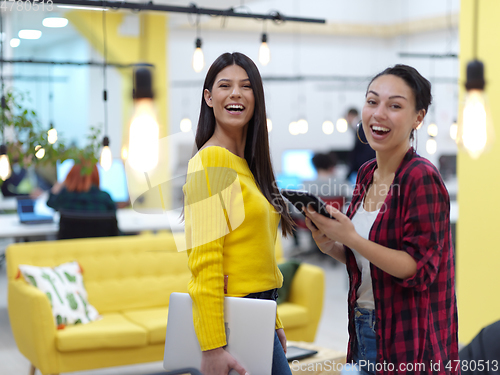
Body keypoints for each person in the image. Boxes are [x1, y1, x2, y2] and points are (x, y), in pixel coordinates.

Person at [304, 65, 459, 374]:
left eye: (395, 105)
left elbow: (418, 269)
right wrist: (332, 244)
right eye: (372, 101)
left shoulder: (421, 177)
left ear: (418, 117)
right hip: (363, 325)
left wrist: (350, 238)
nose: (379, 113)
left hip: (408, 336)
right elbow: (366, 259)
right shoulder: (366, 174)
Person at [183, 52, 295, 375]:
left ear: (256, 99)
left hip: (258, 311)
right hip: (234, 318)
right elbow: (205, 262)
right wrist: (212, 346)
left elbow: (257, 255)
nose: (236, 93)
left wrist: (273, 319)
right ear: (209, 98)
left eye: (246, 86)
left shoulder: (247, 166)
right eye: (225, 85)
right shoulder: (211, 161)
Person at [47, 161, 116, 213]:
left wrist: (57, 187)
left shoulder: (65, 197)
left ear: (71, 176)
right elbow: (113, 227)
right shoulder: (104, 198)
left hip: (72, 232)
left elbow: (50, 203)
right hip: (100, 232)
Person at [347, 107, 376, 182]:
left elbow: (359, 150)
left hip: (364, 166)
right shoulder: (362, 126)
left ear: (350, 115)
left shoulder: (360, 127)